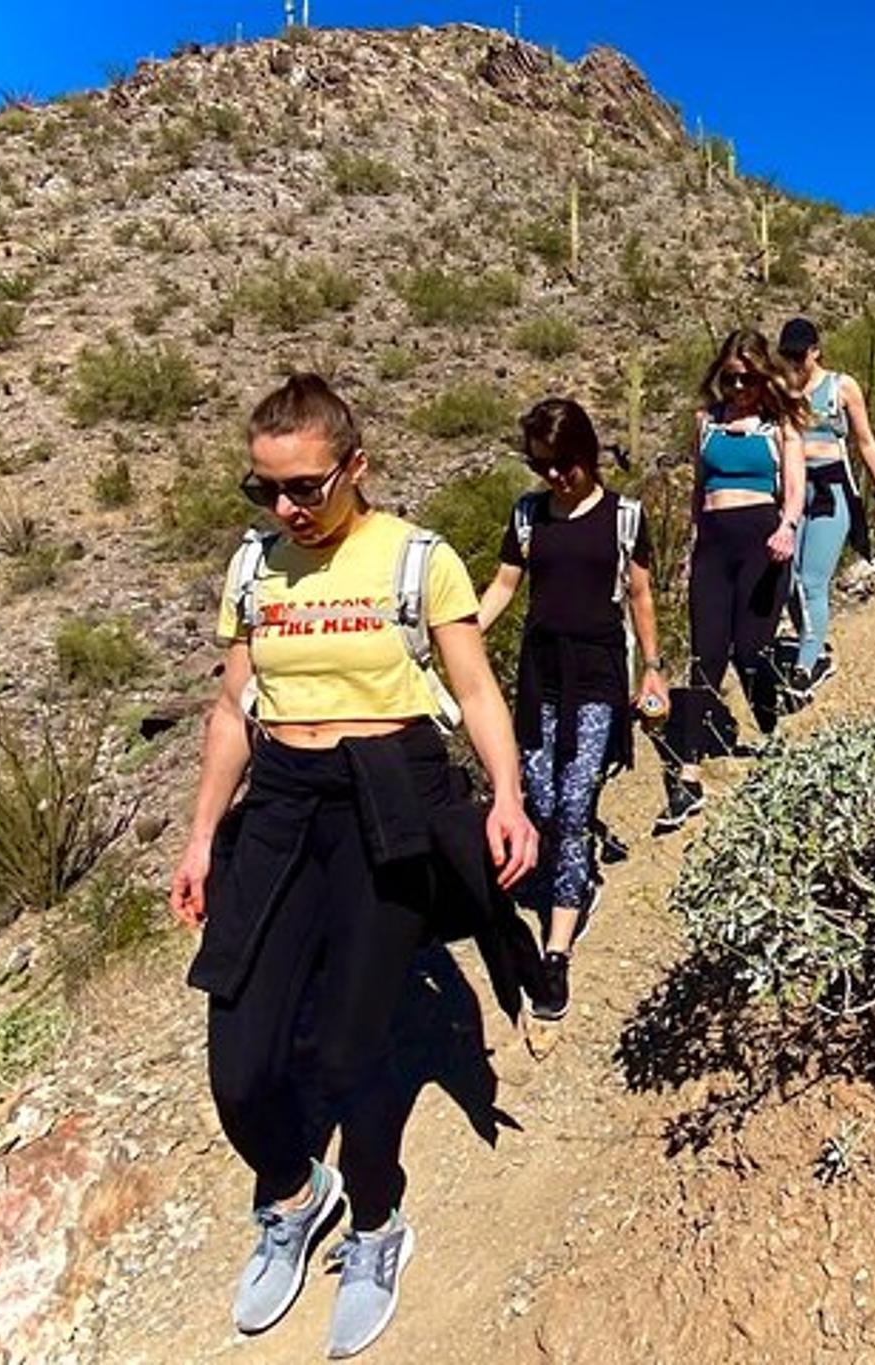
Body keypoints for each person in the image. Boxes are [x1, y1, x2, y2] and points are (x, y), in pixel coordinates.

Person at [170, 374, 541, 1358]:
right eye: (265, 490)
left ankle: (376, 1225)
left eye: (304, 487)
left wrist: (505, 797)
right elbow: (229, 713)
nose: (286, 508)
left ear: (356, 467)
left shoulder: (417, 560)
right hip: (284, 802)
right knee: (241, 1061)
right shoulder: (255, 570)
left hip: (390, 795)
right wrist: (206, 833)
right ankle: (295, 1193)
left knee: (348, 1052)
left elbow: (475, 686)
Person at [476, 398, 666, 1022]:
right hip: (540, 672)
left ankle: (557, 946)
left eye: (564, 463)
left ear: (587, 453)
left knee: (578, 796)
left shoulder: (625, 517)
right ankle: (572, 873)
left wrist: (653, 670)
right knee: (544, 797)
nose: (555, 476)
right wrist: (460, 634)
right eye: (543, 465)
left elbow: (639, 594)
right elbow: (506, 585)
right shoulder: (529, 515)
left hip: (598, 670)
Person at [655, 329, 807, 834]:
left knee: (751, 651)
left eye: (747, 379)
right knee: (706, 655)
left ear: (763, 377)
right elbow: (699, 492)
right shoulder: (707, 424)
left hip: (763, 543)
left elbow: (794, 491)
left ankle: (771, 731)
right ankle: (690, 773)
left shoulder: (780, 427)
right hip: (715, 547)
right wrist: (691, 549)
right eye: (729, 379)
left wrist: (786, 528)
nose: (738, 389)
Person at [775, 316, 875, 703]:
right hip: (792, 494)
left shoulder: (841, 387)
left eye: (799, 355)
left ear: (815, 351)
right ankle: (812, 643)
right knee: (788, 578)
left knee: (812, 579)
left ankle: (808, 664)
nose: (794, 362)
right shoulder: (781, 391)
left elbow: (865, 441)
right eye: (787, 355)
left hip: (831, 491)